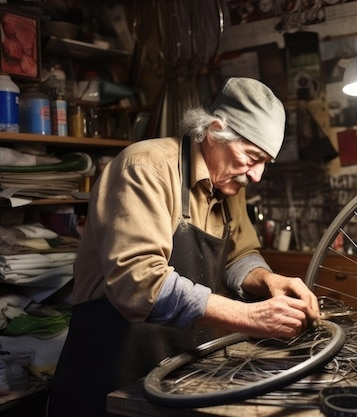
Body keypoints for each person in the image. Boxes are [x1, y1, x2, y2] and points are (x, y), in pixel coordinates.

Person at [47, 77, 321, 417]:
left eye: (266, 162)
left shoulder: (229, 183)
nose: (257, 176)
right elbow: (139, 284)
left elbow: (239, 255)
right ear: (215, 131)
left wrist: (268, 281)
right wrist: (249, 316)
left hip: (177, 373)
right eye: (252, 157)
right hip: (109, 372)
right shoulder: (146, 169)